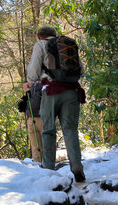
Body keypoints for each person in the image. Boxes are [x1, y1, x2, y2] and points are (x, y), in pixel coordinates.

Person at [23, 26, 86, 182]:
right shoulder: (66, 44)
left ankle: (49, 171)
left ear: (40, 37)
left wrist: (29, 83)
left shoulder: (41, 45)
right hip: (72, 92)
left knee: (49, 130)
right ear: (54, 35)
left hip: (51, 91)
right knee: (70, 129)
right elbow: (81, 71)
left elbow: (34, 70)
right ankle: (77, 166)